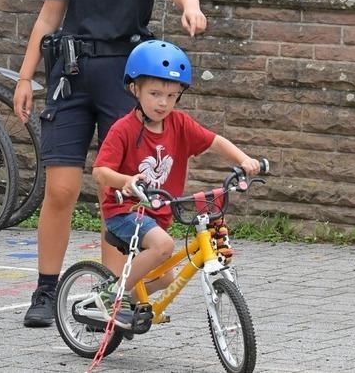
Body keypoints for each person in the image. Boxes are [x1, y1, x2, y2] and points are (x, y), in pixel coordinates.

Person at [13, 0, 207, 328]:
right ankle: (46, 290)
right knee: (61, 190)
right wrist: (25, 76)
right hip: (70, 76)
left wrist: (191, 4)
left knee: (117, 192)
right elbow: (49, 16)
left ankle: (110, 296)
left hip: (124, 80)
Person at [92, 40, 260, 328]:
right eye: (155, 94)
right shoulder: (124, 129)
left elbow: (214, 141)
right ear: (135, 89)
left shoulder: (179, 124)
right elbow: (100, 171)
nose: (163, 103)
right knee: (164, 246)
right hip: (125, 213)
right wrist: (127, 181)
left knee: (166, 276)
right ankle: (110, 294)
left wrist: (244, 159)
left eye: (171, 95)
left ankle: (128, 306)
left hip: (159, 212)